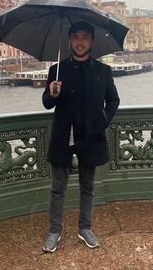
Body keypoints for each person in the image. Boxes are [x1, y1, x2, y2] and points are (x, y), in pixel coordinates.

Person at [42, 21, 120, 253]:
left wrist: (103, 120)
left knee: (88, 187)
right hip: (63, 137)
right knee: (58, 188)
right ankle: (54, 231)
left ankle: (85, 228)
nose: (80, 42)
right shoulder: (57, 70)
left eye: (85, 37)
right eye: (75, 37)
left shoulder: (103, 71)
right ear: (69, 40)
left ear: (92, 41)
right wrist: (52, 93)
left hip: (90, 136)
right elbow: (47, 103)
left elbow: (113, 100)